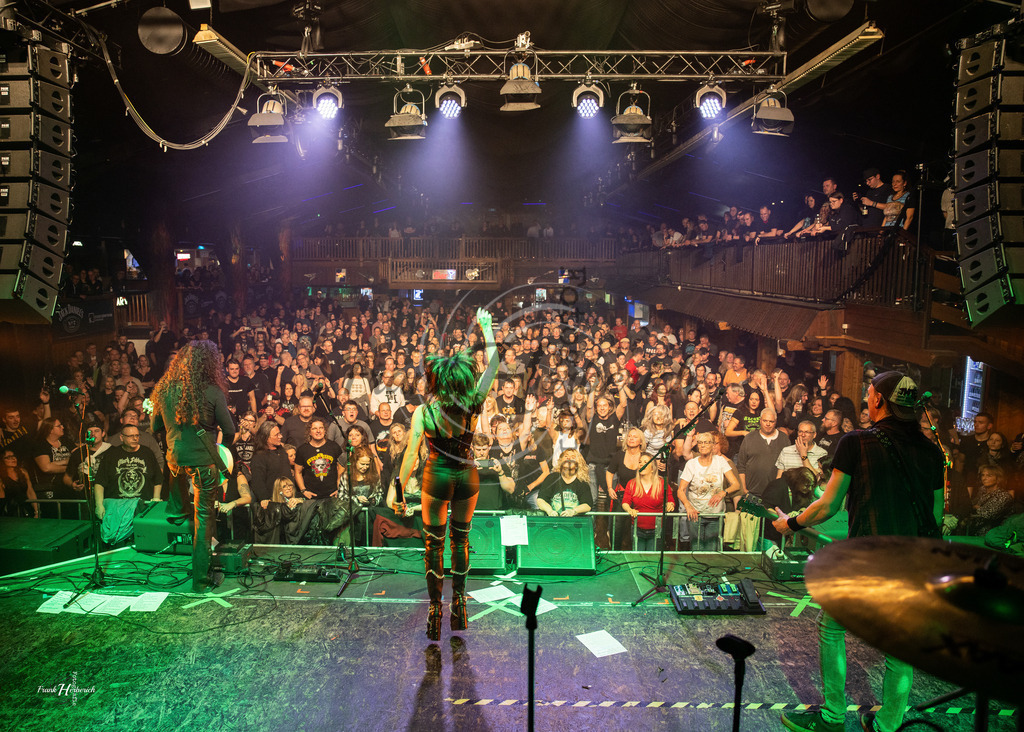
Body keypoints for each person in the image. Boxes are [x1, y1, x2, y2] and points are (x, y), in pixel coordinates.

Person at [774, 371, 943, 732]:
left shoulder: (857, 443)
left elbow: (828, 505)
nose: (866, 399)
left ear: (880, 401)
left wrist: (791, 524)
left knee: (832, 629)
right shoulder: (932, 452)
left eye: (869, 394)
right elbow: (937, 516)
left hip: (866, 559)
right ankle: (887, 725)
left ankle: (834, 717)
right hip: (913, 562)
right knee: (899, 648)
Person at [398, 307, 498, 640]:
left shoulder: (424, 412)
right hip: (466, 476)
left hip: (436, 478)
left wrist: (399, 491)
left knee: (433, 546)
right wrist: (486, 328)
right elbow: (494, 364)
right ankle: (460, 603)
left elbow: (411, 454)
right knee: (461, 540)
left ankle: (434, 609)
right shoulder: (473, 403)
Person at [150, 340, 236, 593]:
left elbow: (155, 428)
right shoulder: (211, 391)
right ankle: (200, 580)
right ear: (209, 364)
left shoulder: (164, 389)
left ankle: (176, 508)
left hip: (176, 462)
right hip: (203, 464)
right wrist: (221, 447)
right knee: (203, 520)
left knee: (186, 507)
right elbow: (229, 430)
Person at [92, 424, 163, 546]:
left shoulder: (147, 452)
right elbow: (99, 482)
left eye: (137, 435)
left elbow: (158, 479)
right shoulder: (111, 454)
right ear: (121, 438)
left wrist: (155, 499)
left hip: (142, 510)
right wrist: (99, 505)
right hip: (117, 511)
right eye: (131, 436)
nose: (135, 438)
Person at [677, 432, 740, 550]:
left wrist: (723, 493)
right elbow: (681, 490)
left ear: (713, 445)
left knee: (711, 550)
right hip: (696, 514)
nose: (703, 445)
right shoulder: (692, 464)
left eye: (706, 442)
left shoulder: (720, 462)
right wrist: (688, 506)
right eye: (700, 442)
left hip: (715, 514)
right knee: (696, 548)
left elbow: (736, 485)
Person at [622, 455, 674, 551]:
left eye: (645, 462)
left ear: (652, 468)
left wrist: (670, 504)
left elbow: (670, 499)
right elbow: (625, 502)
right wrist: (629, 509)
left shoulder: (662, 483)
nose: (641, 464)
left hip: (656, 529)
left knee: (652, 559)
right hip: (637, 529)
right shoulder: (632, 483)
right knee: (638, 559)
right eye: (640, 462)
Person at [536, 448, 593, 519]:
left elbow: (587, 505)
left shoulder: (581, 482)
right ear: (561, 461)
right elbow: (541, 499)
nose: (569, 458)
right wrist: (549, 511)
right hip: (554, 523)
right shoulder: (552, 478)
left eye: (573, 457)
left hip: (574, 524)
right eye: (566, 456)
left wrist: (573, 511)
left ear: (578, 463)